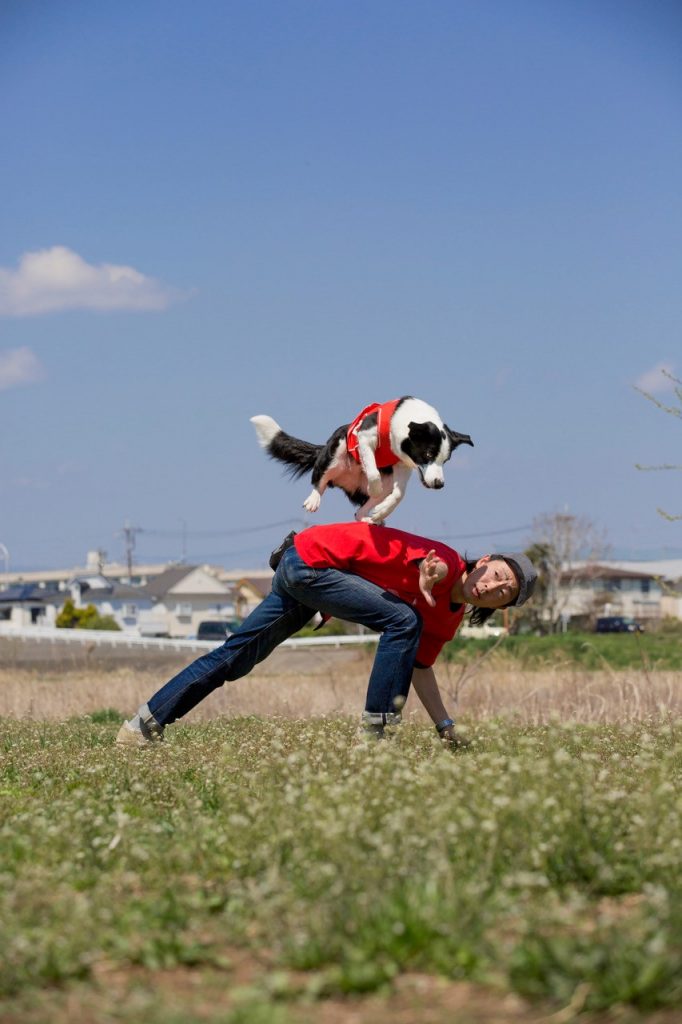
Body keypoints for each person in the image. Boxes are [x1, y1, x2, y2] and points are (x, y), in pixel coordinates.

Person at [116, 522, 537, 747]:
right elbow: (435, 567)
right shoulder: (444, 559)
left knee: (236, 658)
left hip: (311, 571)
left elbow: (419, 667)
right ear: (483, 561)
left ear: (499, 608)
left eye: (504, 593)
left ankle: (143, 724)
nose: (493, 586)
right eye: (497, 574)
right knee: (404, 620)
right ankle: (376, 739)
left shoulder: (449, 617)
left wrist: (445, 725)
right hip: (312, 560)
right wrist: (432, 576)